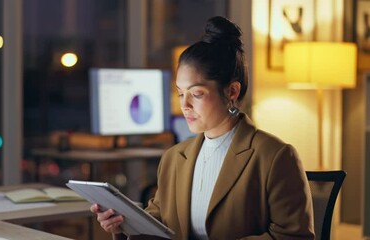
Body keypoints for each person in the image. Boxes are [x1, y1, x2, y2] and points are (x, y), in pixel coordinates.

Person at [91, 16, 315, 240]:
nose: (184, 105)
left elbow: (294, 237)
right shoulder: (173, 158)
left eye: (197, 94)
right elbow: (157, 227)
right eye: (180, 93)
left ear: (232, 92)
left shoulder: (274, 156)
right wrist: (122, 226)